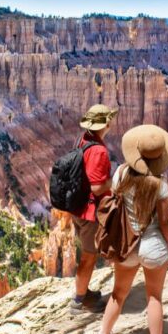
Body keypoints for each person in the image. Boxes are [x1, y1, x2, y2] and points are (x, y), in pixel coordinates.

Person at [96, 125, 168, 334]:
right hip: (153, 247)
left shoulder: (121, 173)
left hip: (127, 245)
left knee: (118, 294)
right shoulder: (160, 185)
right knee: (154, 297)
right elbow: (164, 222)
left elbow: (116, 200)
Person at [68, 104, 118, 314]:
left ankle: (84, 292)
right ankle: (78, 301)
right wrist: (113, 181)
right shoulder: (98, 151)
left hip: (78, 207)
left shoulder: (84, 140)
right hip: (89, 213)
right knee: (89, 256)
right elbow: (97, 187)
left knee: (89, 253)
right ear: (106, 123)